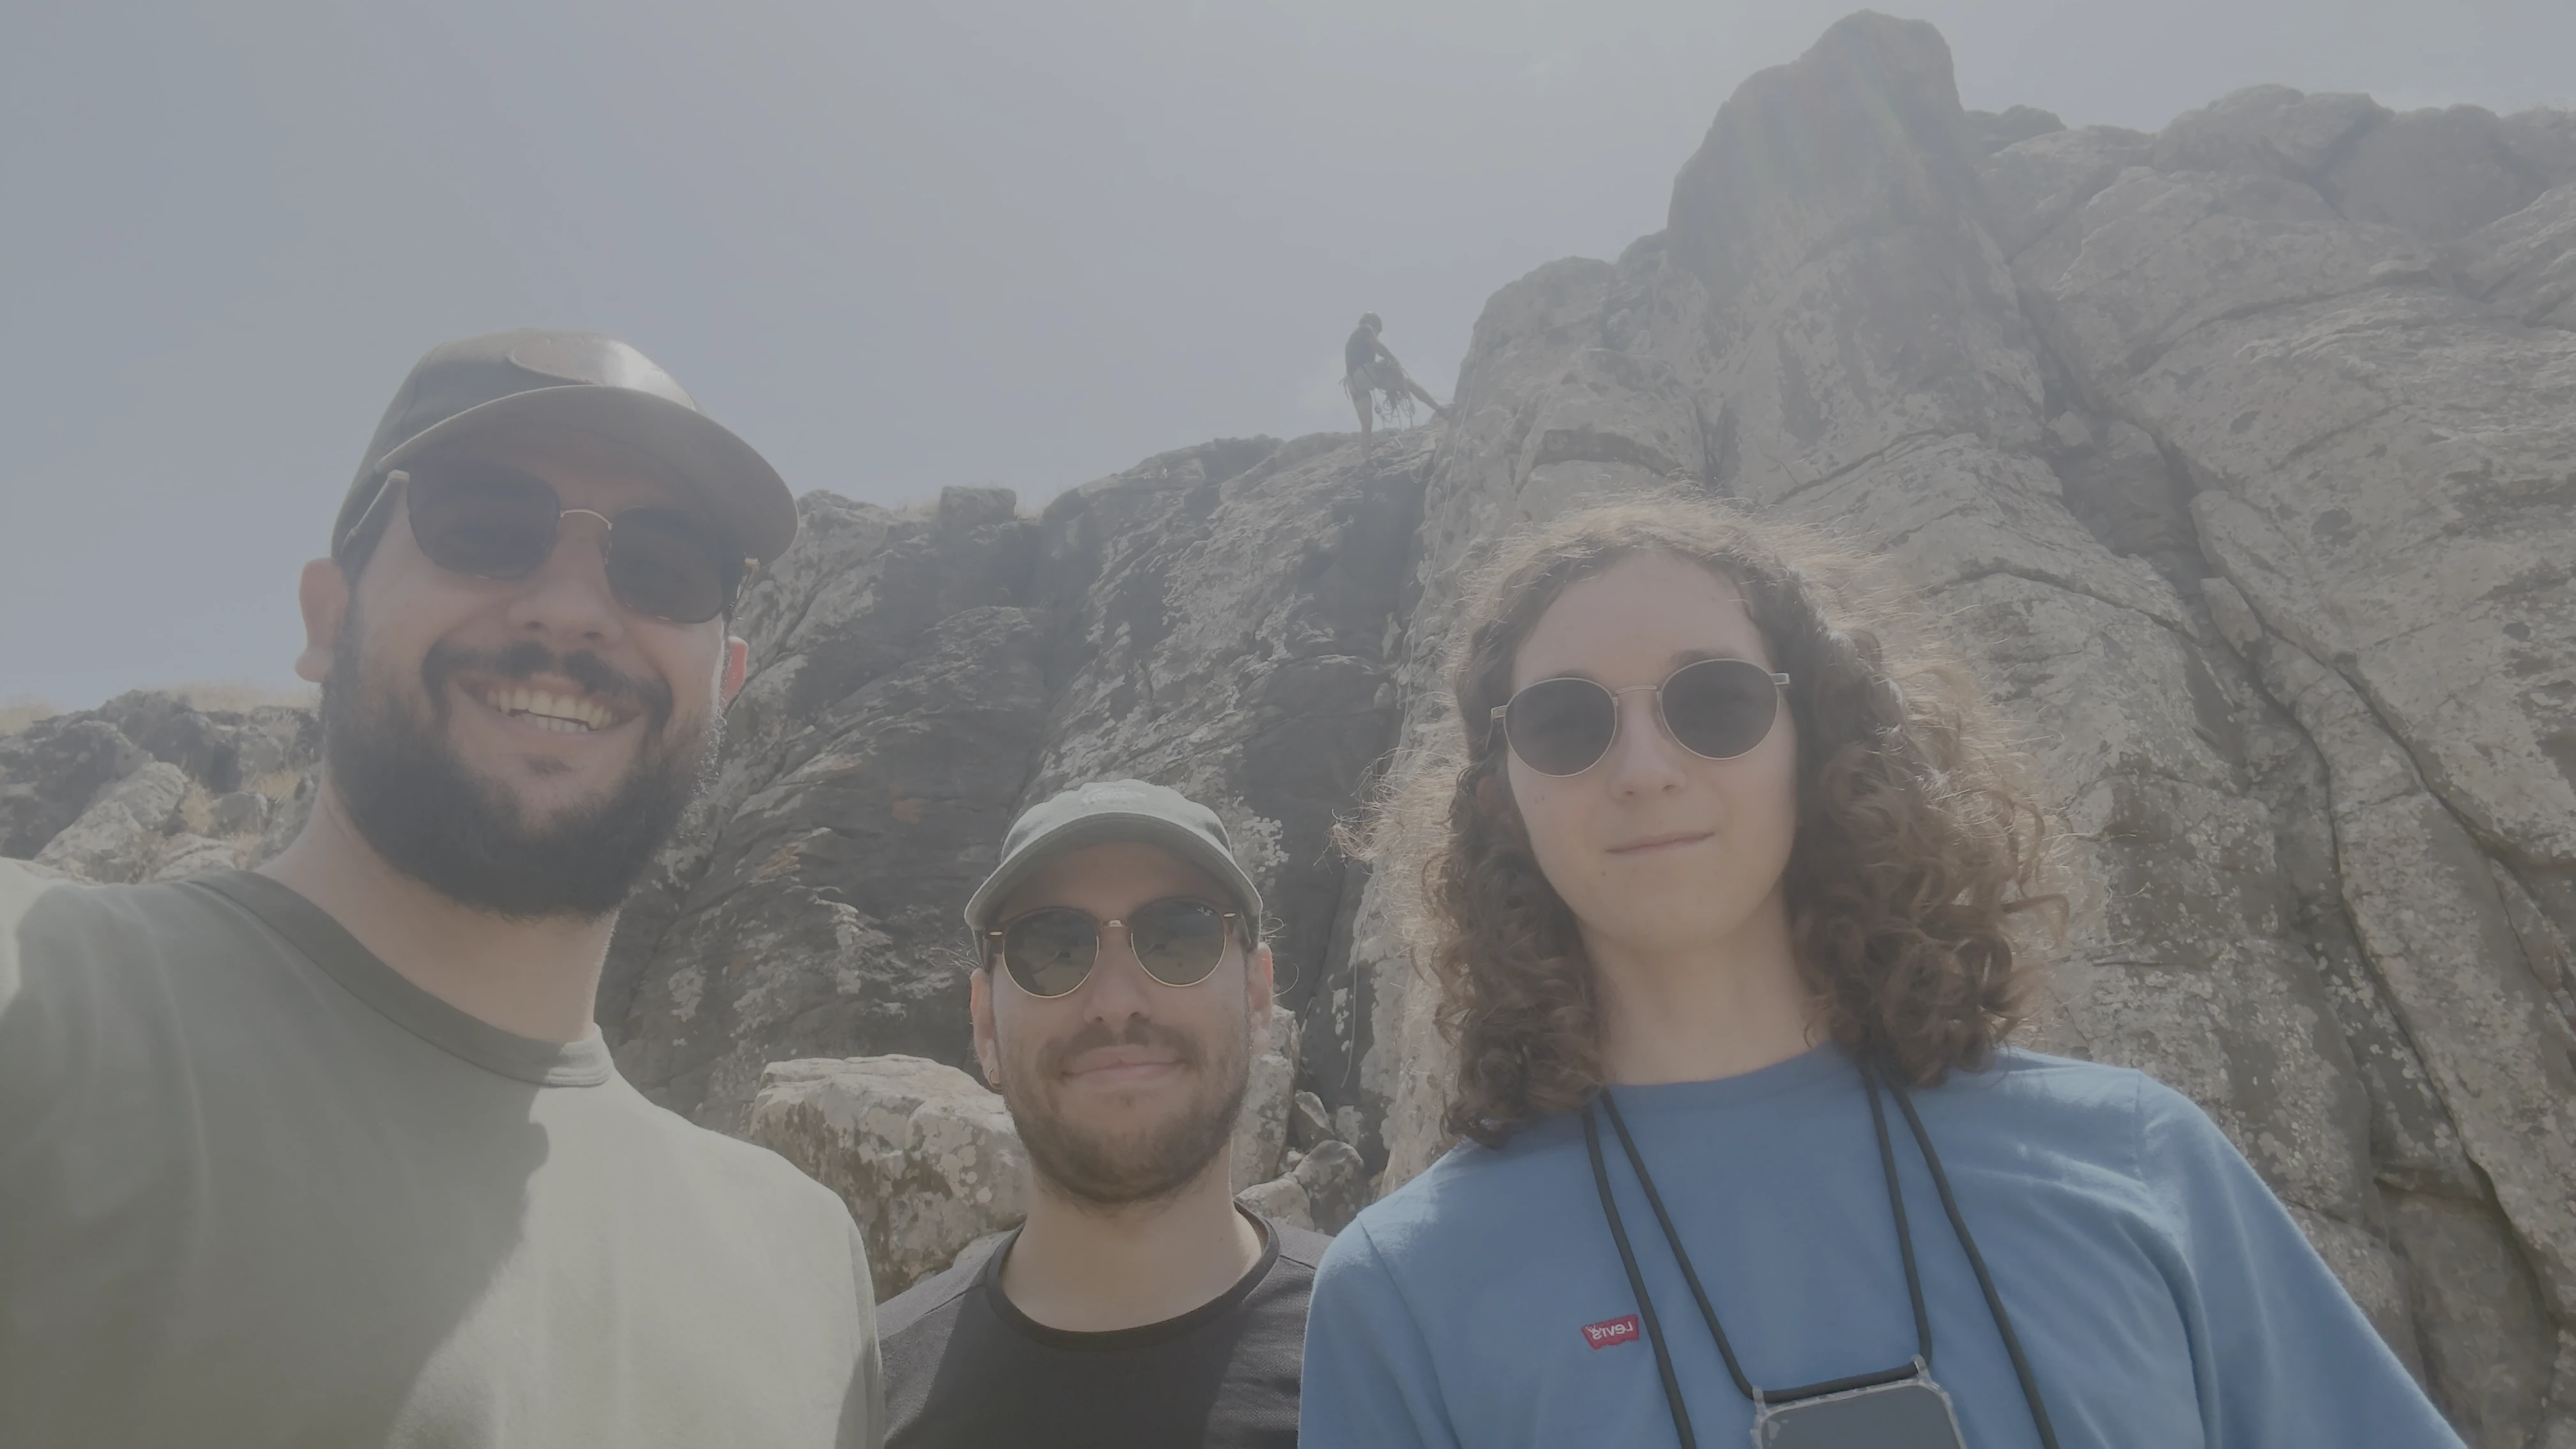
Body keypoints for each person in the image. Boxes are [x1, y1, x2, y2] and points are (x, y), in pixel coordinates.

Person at [1298, 496, 2465, 1448]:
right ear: (1502, 786)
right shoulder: (1405, 1291)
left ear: (1818, 736)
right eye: (1564, 722)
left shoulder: (2139, 1160)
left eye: (1715, 701)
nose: (1645, 768)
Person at [0, 330, 883, 1448]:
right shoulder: (34, 989)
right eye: (483, 526)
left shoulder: (803, 1262)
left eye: (663, 564)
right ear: (328, 619)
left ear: (727, 681)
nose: (571, 607)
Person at [877, 779, 1328, 1448]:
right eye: (1050, 947)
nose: (1116, 1003)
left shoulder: (1392, 1356)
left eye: (1180, 935)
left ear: (1258, 1000)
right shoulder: (868, 1395)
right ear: (984, 1026)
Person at [1344, 311, 1450, 463]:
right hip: (1364, 372)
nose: (1377, 334)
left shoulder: (1351, 341)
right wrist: (1394, 360)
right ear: (1374, 324)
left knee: (1366, 426)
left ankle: (1367, 463)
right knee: (1407, 384)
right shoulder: (1366, 329)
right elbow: (1378, 346)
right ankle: (1440, 410)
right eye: (1378, 332)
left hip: (1353, 383)